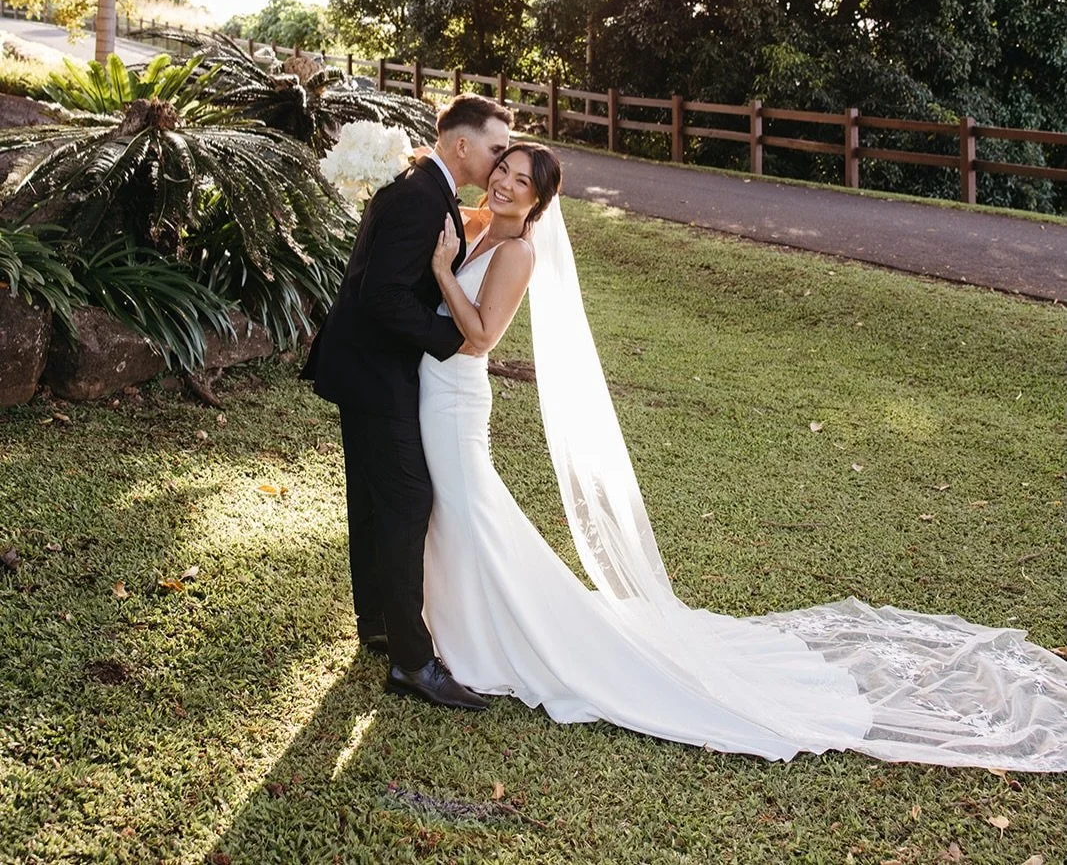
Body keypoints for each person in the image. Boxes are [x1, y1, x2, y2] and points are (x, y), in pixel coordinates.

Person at [416, 142, 1067, 769]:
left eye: (521, 182)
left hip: (456, 398)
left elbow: (481, 337)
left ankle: (487, 640)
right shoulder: (482, 227)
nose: (504, 183)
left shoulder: (518, 252)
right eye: (503, 169)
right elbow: (440, 198)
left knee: (469, 512)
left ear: (538, 202)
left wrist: (445, 272)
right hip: (435, 392)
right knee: (461, 514)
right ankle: (460, 624)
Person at [301, 94, 511, 709]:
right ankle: (413, 663)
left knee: (372, 494)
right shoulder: (422, 195)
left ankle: (377, 622)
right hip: (376, 372)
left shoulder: (427, 185)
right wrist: (450, 339)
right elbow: (383, 296)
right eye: (497, 149)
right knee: (406, 500)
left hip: (365, 366)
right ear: (463, 144)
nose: (501, 163)